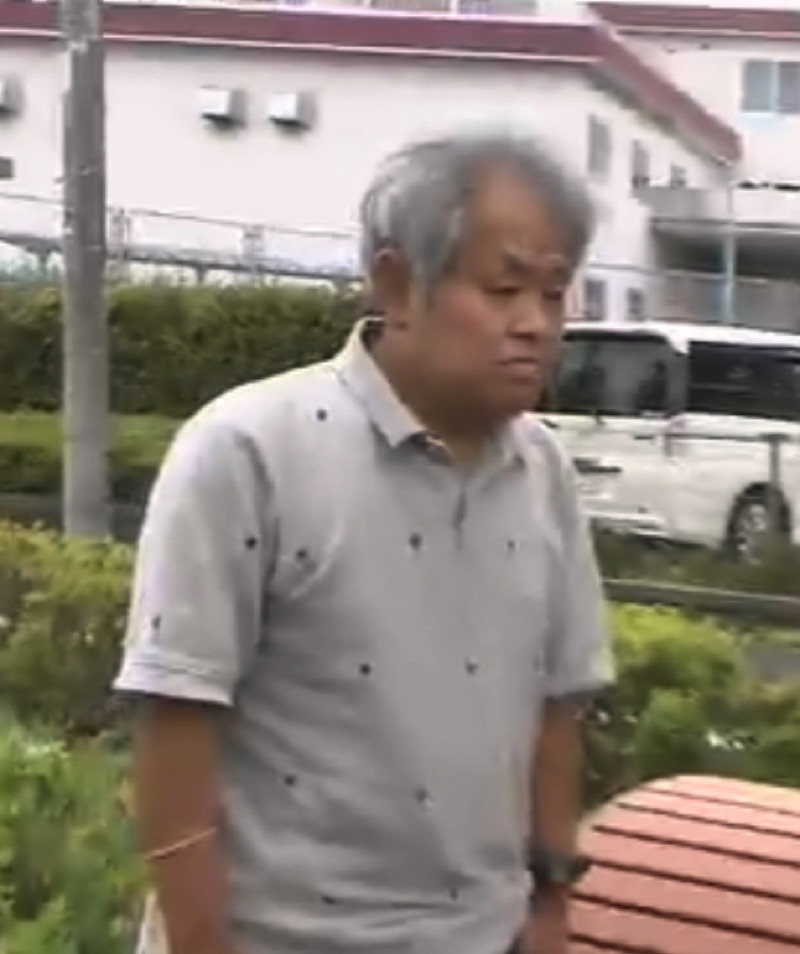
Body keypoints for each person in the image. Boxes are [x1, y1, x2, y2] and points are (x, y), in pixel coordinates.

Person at [114, 129, 614, 954]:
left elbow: (559, 706)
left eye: (554, 294)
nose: (534, 324)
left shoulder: (545, 472)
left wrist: (550, 905)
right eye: (503, 288)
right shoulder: (247, 450)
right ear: (396, 283)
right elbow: (177, 723)